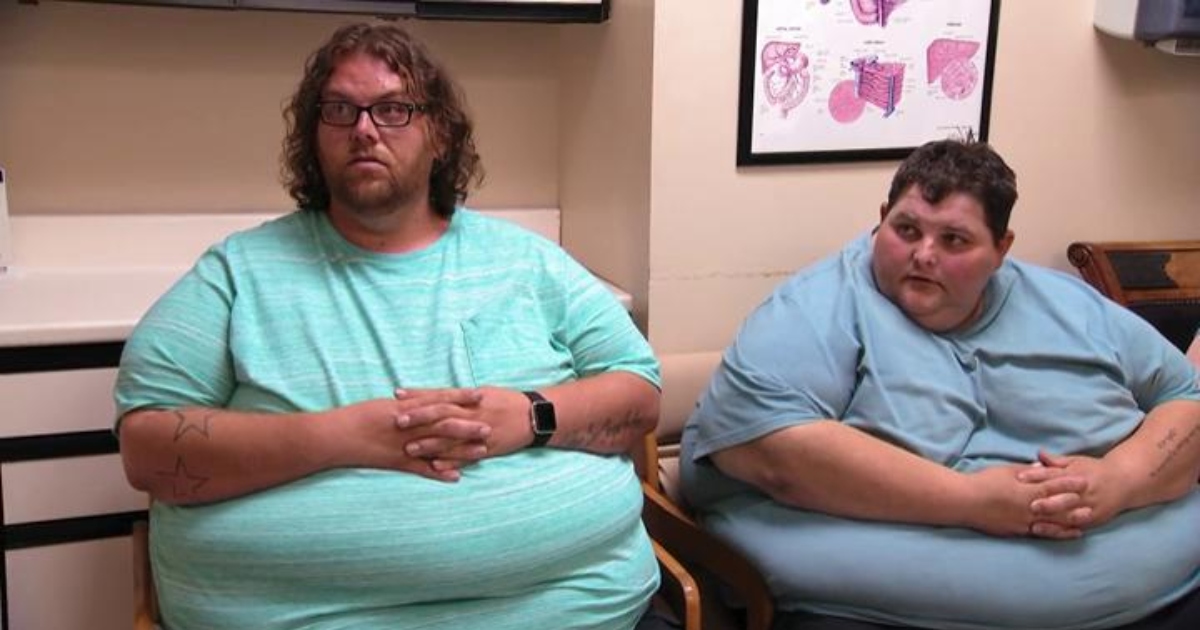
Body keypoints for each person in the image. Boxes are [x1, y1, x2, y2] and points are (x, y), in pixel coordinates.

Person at [115, 22, 665, 630]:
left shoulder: (528, 261)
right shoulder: (238, 274)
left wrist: (528, 416)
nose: (364, 129)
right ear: (314, 135)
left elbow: (640, 395)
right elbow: (146, 448)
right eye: (339, 110)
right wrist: (344, 437)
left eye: (393, 109)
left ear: (440, 134)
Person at [680, 139, 1200, 630]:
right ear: (881, 218)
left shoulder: (1073, 308)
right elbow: (766, 448)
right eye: (906, 230)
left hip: (1168, 594)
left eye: (954, 240)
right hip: (880, 613)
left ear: (1001, 248)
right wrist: (972, 500)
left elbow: (1187, 396)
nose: (924, 254)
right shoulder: (813, 310)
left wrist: (1119, 481)